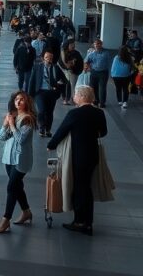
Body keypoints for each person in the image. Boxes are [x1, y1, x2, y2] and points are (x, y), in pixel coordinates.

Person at [47, 86, 108, 236]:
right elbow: (103, 132)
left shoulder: (75, 113)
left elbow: (62, 130)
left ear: (82, 97)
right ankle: (87, 222)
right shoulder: (99, 112)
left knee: (80, 188)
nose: (74, 96)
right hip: (92, 155)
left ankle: (81, 222)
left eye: (75, 94)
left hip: (78, 155)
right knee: (86, 187)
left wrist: (51, 145)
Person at [0, 91, 36, 234]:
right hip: (8, 158)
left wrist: (11, 125)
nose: (18, 102)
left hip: (21, 159)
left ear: (27, 102)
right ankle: (26, 212)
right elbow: (1, 137)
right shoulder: (13, 116)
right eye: (16, 99)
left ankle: (6, 219)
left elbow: (21, 140)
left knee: (11, 188)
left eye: (21, 100)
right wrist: (5, 124)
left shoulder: (28, 119)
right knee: (17, 186)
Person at [28, 50, 67, 137]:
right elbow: (32, 80)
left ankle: (48, 129)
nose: (48, 59)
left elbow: (64, 80)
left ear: (52, 58)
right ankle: (41, 127)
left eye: (50, 57)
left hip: (51, 93)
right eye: (46, 57)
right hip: (40, 92)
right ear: (43, 58)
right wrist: (30, 95)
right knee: (41, 111)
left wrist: (58, 85)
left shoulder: (55, 68)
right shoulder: (37, 67)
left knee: (49, 112)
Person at [86, 39, 113, 107]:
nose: (97, 45)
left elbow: (110, 62)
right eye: (95, 44)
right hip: (94, 72)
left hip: (103, 73)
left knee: (102, 88)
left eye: (98, 44)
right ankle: (95, 100)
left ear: (101, 44)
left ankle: (102, 102)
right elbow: (87, 61)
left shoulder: (106, 53)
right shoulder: (91, 53)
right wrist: (88, 67)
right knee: (93, 87)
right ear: (94, 45)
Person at [59, 40, 84, 105]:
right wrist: (67, 67)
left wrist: (74, 65)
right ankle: (68, 99)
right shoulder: (63, 53)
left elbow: (80, 62)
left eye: (74, 44)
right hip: (66, 72)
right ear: (67, 45)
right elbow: (61, 62)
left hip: (74, 72)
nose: (73, 46)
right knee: (68, 85)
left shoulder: (76, 53)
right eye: (71, 44)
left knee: (73, 86)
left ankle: (72, 99)